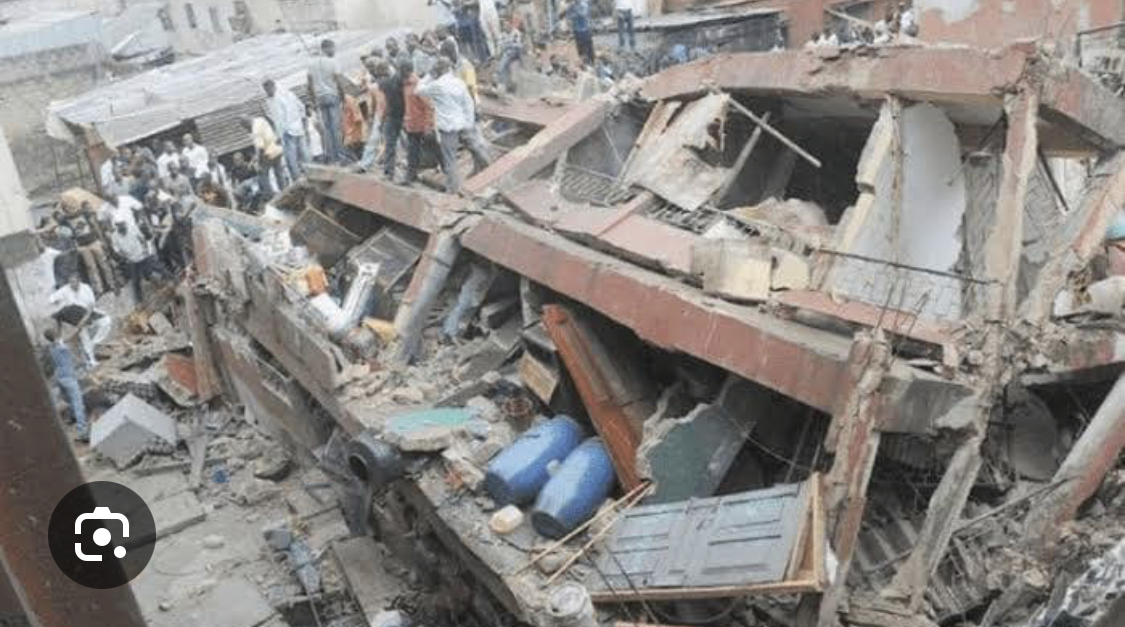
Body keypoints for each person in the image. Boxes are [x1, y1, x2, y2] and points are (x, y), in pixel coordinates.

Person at [416, 57, 492, 194]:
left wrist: (429, 75)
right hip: (463, 123)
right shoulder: (459, 83)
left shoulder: (437, 86)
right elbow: (468, 103)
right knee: (477, 149)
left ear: (437, 71)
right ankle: (491, 174)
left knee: (450, 160)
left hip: (448, 129)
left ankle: (453, 190)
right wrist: (469, 122)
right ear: (449, 68)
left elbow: (419, 90)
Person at [49, 273, 111, 366]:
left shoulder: (86, 288)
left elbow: (91, 305)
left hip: (89, 313)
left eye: (74, 281)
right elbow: (52, 299)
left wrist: (84, 319)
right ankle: (91, 361)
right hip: (76, 317)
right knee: (84, 338)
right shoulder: (64, 290)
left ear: (79, 281)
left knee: (106, 321)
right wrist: (58, 303)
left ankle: (95, 343)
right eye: (70, 282)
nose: (72, 284)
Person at [44, 328, 89, 441]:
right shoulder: (61, 347)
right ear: (56, 336)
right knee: (78, 402)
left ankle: (71, 417)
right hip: (68, 378)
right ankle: (82, 431)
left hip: (59, 377)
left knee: (68, 399)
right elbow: (67, 348)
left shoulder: (51, 349)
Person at [307, 38, 347, 164]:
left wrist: (313, 101)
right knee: (336, 128)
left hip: (320, 98)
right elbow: (338, 81)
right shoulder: (332, 62)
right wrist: (343, 96)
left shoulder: (311, 64)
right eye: (332, 48)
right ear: (326, 48)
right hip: (332, 96)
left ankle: (332, 157)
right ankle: (341, 157)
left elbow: (309, 85)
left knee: (327, 129)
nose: (334, 51)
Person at [264, 79, 310, 182]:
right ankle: (311, 174)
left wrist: (281, 134)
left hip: (288, 132)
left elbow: (280, 119)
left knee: (291, 159)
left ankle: (297, 180)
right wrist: (303, 123)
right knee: (304, 154)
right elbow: (301, 107)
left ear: (272, 87)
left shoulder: (276, 99)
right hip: (298, 128)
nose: (267, 92)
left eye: (267, 89)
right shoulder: (289, 94)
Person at [401, 59, 436, 185]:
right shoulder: (404, 85)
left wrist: (428, 126)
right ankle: (410, 176)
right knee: (412, 152)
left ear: (407, 71)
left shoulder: (418, 85)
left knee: (438, 151)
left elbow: (429, 107)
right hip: (412, 125)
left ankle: (448, 174)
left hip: (423, 125)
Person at [73, 203, 117, 295]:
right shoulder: (65, 218)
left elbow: (95, 225)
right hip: (82, 245)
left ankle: (111, 284)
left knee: (104, 264)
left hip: (93, 241)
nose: (70, 207)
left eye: (71, 204)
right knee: (91, 268)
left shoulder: (83, 213)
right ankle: (99, 289)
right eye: (66, 206)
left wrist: (101, 240)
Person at [110, 219, 158, 303]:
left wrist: (146, 250)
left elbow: (142, 239)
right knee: (135, 281)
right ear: (117, 226)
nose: (121, 226)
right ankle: (140, 301)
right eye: (119, 225)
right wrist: (126, 258)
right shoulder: (114, 236)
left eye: (122, 224)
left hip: (141, 255)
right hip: (131, 260)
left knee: (150, 273)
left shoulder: (132, 228)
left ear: (125, 223)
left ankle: (160, 287)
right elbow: (117, 250)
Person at [242, 115, 286, 196]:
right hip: (276, 148)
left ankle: (270, 195)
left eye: (246, 127)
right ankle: (285, 190)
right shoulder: (260, 119)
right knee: (279, 172)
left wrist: (259, 162)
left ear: (247, 124)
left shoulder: (255, 130)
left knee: (263, 174)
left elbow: (261, 148)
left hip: (268, 153)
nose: (247, 130)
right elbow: (272, 124)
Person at [441, 38, 479, 103]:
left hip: (469, 99)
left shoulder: (466, 65)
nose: (445, 59)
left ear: (452, 53)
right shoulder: (449, 66)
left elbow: (471, 86)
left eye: (446, 56)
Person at [495, 20, 525, 93]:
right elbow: (499, 45)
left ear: (511, 25)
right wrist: (501, 51)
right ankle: (505, 84)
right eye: (504, 25)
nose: (506, 27)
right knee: (504, 62)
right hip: (506, 53)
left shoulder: (516, 33)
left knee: (507, 55)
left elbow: (518, 45)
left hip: (515, 52)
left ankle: (501, 83)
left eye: (507, 25)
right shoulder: (502, 35)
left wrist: (507, 46)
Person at [562, 0, 594, 66]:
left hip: (586, 29)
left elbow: (583, 14)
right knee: (580, 49)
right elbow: (568, 16)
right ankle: (584, 64)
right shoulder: (572, 6)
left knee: (589, 48)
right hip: (577, 30)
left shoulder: (584, 4)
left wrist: (574, 15)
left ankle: (592, 63)